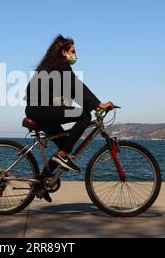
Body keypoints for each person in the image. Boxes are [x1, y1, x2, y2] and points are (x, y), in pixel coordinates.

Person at [25, 35, 116, 174]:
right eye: (73, 51)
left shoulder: (52, 65)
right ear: (63, 52)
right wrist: (98, 104)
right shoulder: (60, 65)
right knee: (84, 116)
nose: (75, 54)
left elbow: (72, 91)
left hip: (39, 110)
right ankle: (62, 155)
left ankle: (42, 183)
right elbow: (75, 86)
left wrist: (94, 104)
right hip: (41, 109)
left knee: (65, 145)